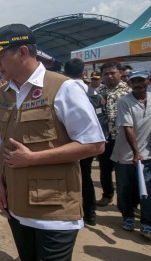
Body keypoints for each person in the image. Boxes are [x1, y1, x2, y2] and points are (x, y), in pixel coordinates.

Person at [0, 24, 105, 261]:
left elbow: (94, 143)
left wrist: (34, 158)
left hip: (54, 209)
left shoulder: (63, 88)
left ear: (23, 52)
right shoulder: (3, 94)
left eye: (0, 57)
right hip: (16, 206)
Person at [64, 58, 108, 226]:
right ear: (83, 73)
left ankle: (74, 212)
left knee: (70, 178)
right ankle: (90, 214)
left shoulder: (64, 90)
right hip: (90, 144)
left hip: (69, 144)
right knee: (86, 177)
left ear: (65, 73)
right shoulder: (93, 92)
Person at [110, 70, 151, 238]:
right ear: (129, 84)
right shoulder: (124, 101)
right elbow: (128, 127)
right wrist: (136, 152)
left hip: (147, 154)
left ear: (148, 81)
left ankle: (147, 223)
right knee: (125, 187)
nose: (138, 84)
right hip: (125, 154)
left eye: (141, 80)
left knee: (147, 189)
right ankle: (127, 216)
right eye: (134, 81)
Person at [97, 62, 131, 207]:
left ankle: (127, 202)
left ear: (120, 73)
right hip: (104, 138)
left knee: (123, 172)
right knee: (104, 169)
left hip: (122, 137)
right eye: (106, 73)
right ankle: (107, 195)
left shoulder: (128, 92)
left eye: (113, 73)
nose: (109, 76)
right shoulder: (98, 91)